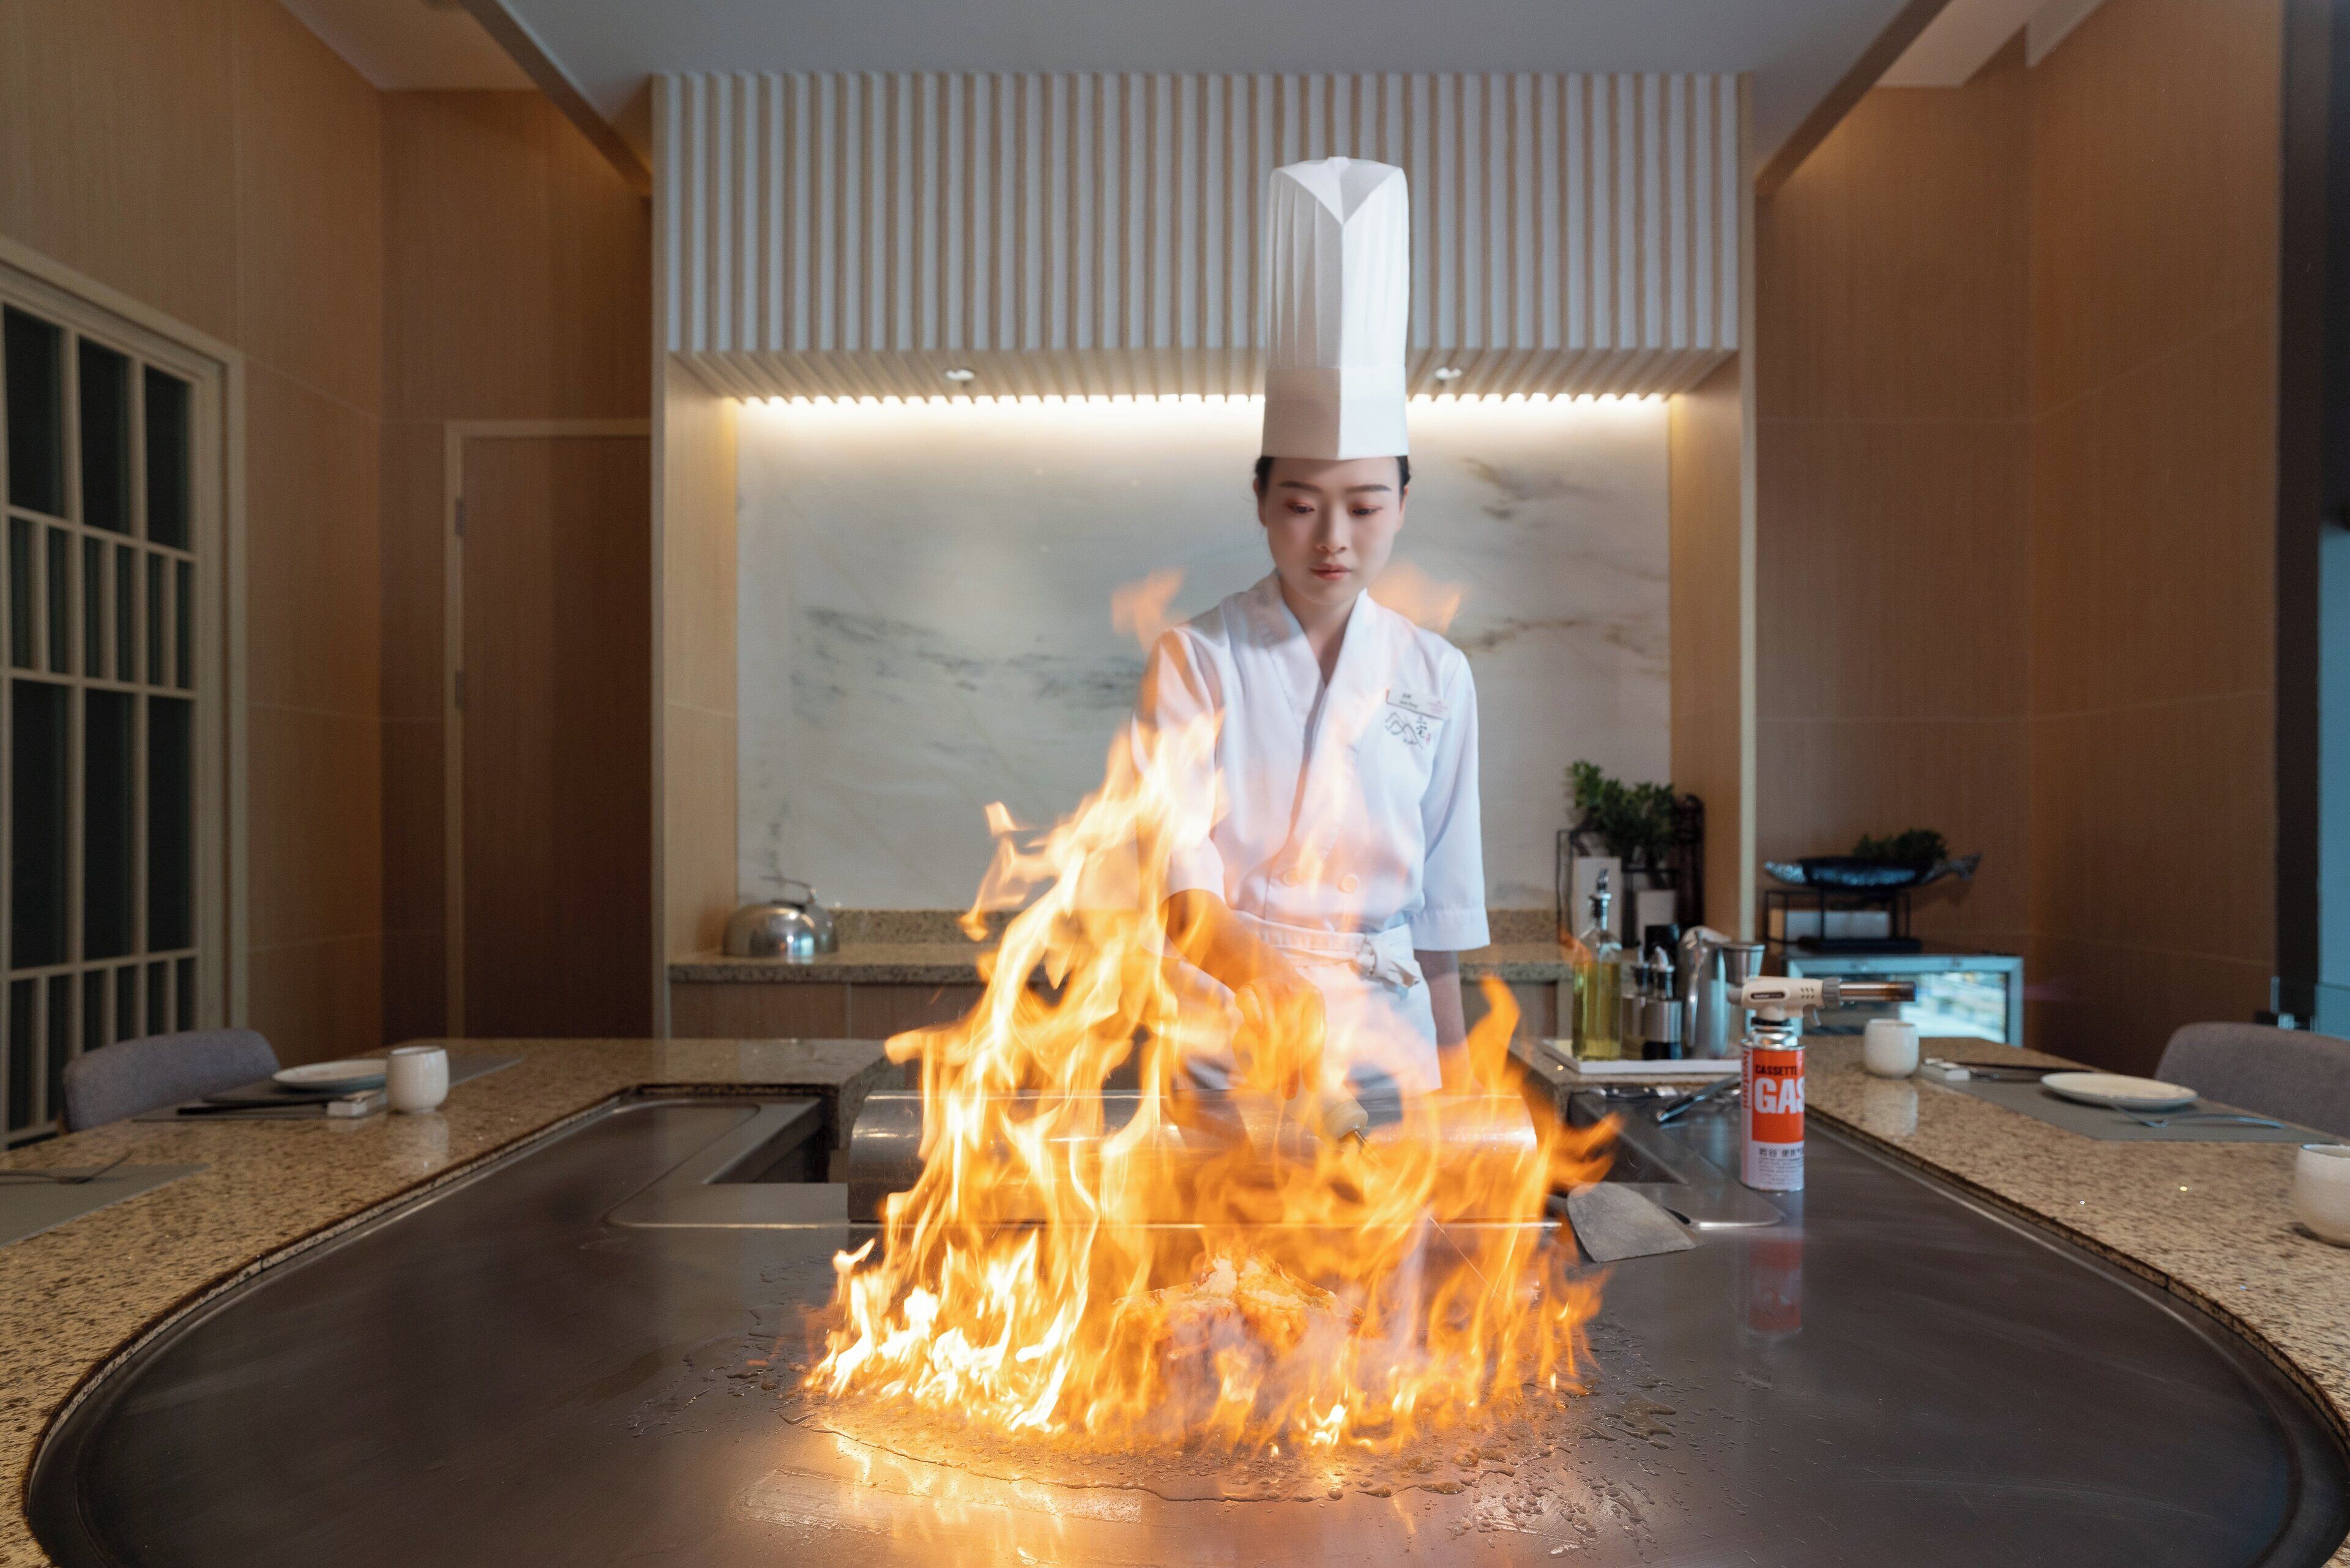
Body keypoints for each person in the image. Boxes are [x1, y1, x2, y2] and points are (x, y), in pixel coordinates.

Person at [1131, 156, 1487, 1113]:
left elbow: (1444, 923)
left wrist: (1461, 1099)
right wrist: (1272, 985)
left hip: (1388, 1054)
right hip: (1230, 1051)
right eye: (1301, 503)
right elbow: (1181, 893)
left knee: (1392, 1264)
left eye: (1365, 506)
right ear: (1258, 499)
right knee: (1221, 1272)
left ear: (1405, 505)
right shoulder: (1195, 661)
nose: (1333, 538)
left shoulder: (1438, 675)